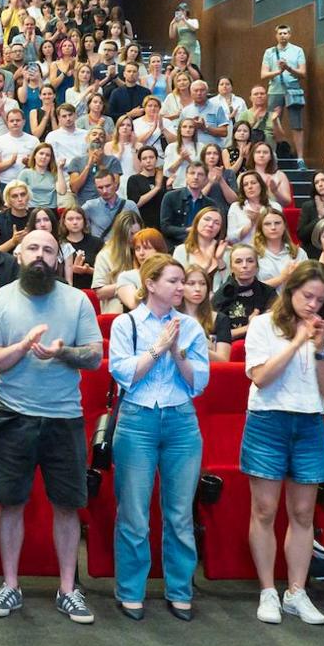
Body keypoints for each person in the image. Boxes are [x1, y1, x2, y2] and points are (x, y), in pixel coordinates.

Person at [0, 230, 103, 624]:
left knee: (67, 505)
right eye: (33, 248)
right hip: (14, 417)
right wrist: (22, 346)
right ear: (20, 254)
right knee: (11, 502)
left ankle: (68, 589)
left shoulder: (77, 300)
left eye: (49, 250)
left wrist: (63, 351)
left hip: (65, 419)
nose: (40, 256)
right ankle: (11, 585)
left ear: (57, 257)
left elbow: (95, 356)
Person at [242, 261, 324, 626]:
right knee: (265, 510)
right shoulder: (262, 325)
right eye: (307, 296)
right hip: (268, 420)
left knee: (303, 512)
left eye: (320, 299)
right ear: (290, 292)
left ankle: (296, 591)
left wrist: (319, 350)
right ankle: (268, 590)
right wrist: (297, 342)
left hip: (309, 422)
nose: (313, 305)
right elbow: (261, 377)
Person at [106, 255, 209, 622]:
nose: (182, 288)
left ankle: (180, 589)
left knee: (180, 514)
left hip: (181, 421)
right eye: (174, 281)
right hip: (137, 420)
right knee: (134, 513)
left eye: (183, 281)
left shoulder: (191, 327)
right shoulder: (126, 324)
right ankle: (131, 590)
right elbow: (124, 375)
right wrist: (157, 348)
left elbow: (199, 383)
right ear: (151, 284)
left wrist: (178, 353)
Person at [259, 23, 307, 158]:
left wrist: (288, 68)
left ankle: (300, 158)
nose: (283, 36)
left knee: (297, 125)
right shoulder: (270, 52)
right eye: (280, 33)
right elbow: (263, 74)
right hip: (275, 90)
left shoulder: (298, 50)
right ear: (276, 35)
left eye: (285, 33)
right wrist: (279, 71)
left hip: (293, 90)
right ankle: (271, 156)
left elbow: (303, 73)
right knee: (271, 124)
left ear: (290, 35)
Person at [158, 163, 218, 248]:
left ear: (205, 179)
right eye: (192, 173)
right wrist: (188, 230)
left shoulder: (210, 204)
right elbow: (165, 227)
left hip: (201, 246)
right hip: (175, 246)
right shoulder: (170, 197)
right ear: (186, 176)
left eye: (200, 174)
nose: (196, 177)